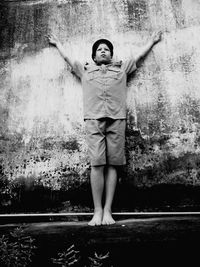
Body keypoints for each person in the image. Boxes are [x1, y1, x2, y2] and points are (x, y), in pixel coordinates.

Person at [47, 31, 162, 226]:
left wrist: (151, 41)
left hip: (117, 120)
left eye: (106, 49)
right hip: (93, 119)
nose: (103, 51)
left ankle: (108, 210)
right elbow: (68, 58)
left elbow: (139, 57)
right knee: (97, 164)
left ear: (111, 55)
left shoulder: (121, 69)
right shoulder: (85, 70)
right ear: (94, 56)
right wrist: (58, 44)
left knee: (113, 164)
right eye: (99, 49)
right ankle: (97, 211)